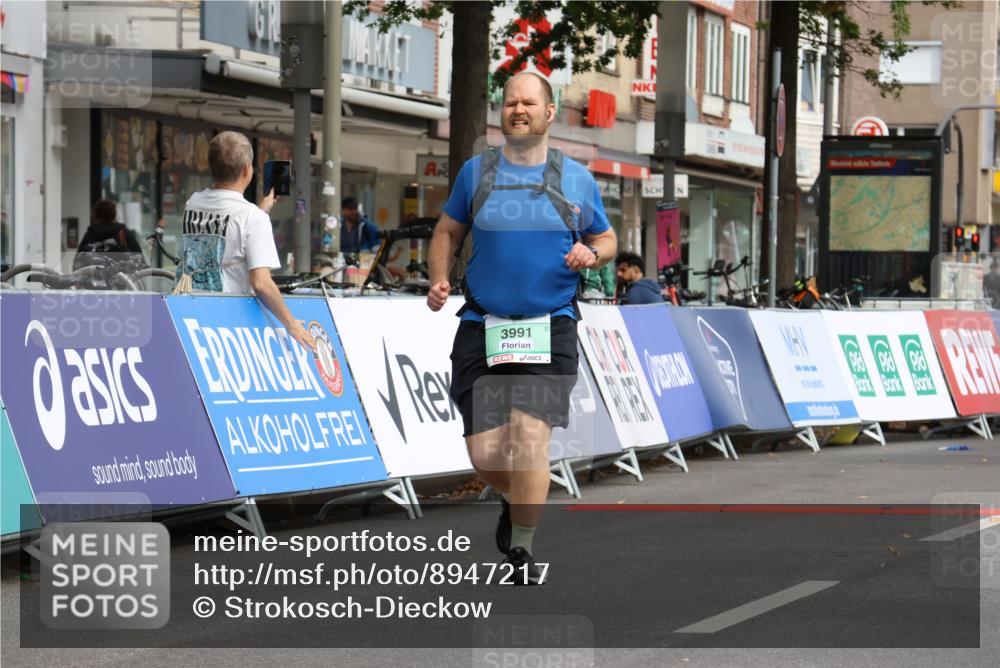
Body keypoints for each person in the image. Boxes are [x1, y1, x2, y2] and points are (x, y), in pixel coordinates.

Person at [427, 71, 617, 584]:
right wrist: (440, 279)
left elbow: (607, 237)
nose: (518, 110)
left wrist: (591, 252)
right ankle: (515, 499)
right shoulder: (476, 173)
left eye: (529, 103)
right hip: (483, 325)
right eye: (510, 103)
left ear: (549, 113)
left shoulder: (575, 178)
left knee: (531, 437)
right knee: (486, 454)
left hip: (549, 323)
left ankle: (523, 553)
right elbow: (447, 230)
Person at [175, 131, 314, 350]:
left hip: (189, 314)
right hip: (227, 324)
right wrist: (292, 325)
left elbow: (227, 229)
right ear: (247, 169)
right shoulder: (252, 218)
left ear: (211, 166)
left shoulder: (192, 203)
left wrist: (261, 209)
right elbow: (261, 283)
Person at [73, 200, 146, 271]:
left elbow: (78, 263)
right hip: (121, 280)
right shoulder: (124, 234)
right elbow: (140, 260)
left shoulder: (90, 234)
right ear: (114, 214)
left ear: (95, 215)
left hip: (93, 280)